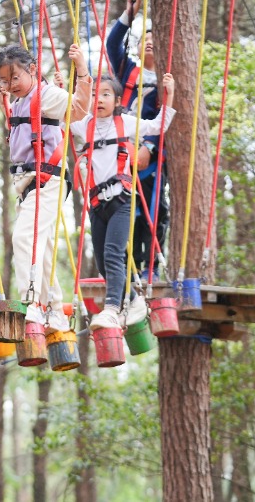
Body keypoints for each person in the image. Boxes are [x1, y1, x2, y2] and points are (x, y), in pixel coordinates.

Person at [0, 43, 92, 333]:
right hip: (28, 184)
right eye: (4, 80)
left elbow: (77, 110)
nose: (11, 85)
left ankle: (32, 303)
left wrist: (83, 71)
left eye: (15, 78)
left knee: (24, 238)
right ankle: (55, 313)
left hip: (47, 181)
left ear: (33, 71)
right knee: (45, 249)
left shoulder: (45, 94)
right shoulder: (18, 103)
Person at [71, 73, 175, 330]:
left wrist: (169, 95)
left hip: (121, 200)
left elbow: (156, 127)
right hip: (97, 204)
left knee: (113, 253)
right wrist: (67, 92)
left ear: (117, 100)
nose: (99, 99)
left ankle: (112, 308)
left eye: (106, 94)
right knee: (103, 260)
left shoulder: (126, 122)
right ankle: (131, 299)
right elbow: (61, 121)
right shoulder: (84, 125)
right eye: (95, 94)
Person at [106, 0, 168, 275]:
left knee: (153, 209)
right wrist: (129, 15)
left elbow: (166, 113)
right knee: (124, 208)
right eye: (146, 41)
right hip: (123, 147)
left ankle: (151, 265)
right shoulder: (128, 70)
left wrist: (150, 147)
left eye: (156, 41)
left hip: (152, 152)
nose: (151, 44)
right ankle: (127, 266)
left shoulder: (169, 76)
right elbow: (112, 43)